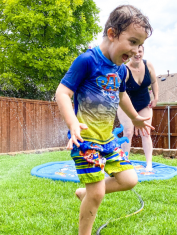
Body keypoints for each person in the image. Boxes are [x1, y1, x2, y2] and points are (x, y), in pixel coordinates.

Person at [55, 5, 153, 235]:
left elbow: (122, 96)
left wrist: (136, 118)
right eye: (132, 41)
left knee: (129, 180)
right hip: (86, 140)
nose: (136, 49)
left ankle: (84, 193)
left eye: (140, 44)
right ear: (112, 34)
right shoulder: (87, 61)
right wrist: (72, 124)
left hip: (107, 140)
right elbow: (62, 93)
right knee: (97, 193)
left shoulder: (120, 70)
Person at [117, 45, 158, 171]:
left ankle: (149, 164)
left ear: (143, 52)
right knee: (128, 132)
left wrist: (156, 97)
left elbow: (154, 82)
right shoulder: (124, 69)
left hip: (144, 104)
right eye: (134, 52)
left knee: (146, 133)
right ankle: (125, 162)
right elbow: (120, 92)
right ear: (130, 53)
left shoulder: (148, 65)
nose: (137, 54)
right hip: (126, 105)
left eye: (140, 51)